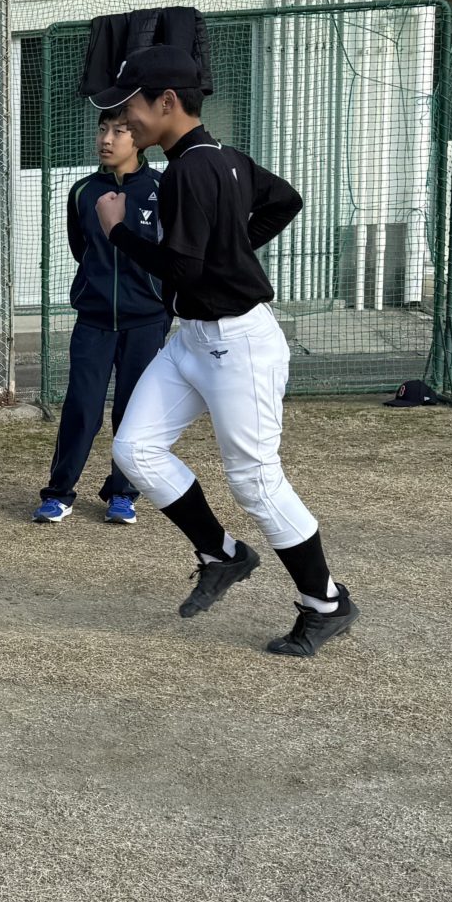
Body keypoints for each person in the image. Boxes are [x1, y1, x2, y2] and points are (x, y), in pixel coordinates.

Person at [89, 46, 360, 657]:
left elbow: (183, 266)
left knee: (256, 480)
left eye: (131, 105)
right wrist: (231, 251)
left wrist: (119, 231)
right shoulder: (219, 157)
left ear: (167, 102)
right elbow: (284, 199)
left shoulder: (193, 168)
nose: (124, 119)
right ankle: (221, 554)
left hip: (238, 344)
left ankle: (327, 603)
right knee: (135, 449)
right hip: (193, 338)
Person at [36, 105, 168, 525]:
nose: (107, 140)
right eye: (102, 129)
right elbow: (82, 249)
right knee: (81, 407)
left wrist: (152, 296)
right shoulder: (82, 192)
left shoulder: (162, 188)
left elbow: (169, 254)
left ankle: (123, 494)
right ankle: (59, 493)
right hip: (93, 320)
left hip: (146, 321)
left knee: (133, 410)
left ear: (138, 139)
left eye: (119, 131)